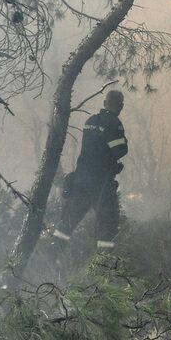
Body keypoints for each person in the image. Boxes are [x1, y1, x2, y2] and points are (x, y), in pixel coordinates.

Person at [53, 89, 128, 251]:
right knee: (108, 221)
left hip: (81, 180)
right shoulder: (113, 123)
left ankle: (53, 254)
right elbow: (120, 150)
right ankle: (103, 262)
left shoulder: (90, 121)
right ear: (120, 106)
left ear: (104, 103)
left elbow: (92, 149)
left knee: (68, 221)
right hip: (100, 183)